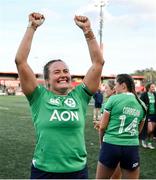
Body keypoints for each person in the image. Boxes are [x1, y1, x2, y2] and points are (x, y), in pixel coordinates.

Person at [15, 12, 104, 179]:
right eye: (57, 72)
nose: (63, 74)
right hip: (44, 172)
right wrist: (32, 27)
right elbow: (20, 61)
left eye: (66, 71)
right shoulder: (38, 97)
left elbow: (98, 63)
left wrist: (88, 31)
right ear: (47, 80)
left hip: (77, 172)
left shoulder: (80, 96)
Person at [96, 74, 147, 179]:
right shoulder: (142, 104)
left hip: (111, 144)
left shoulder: (113, 99)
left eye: (116, 84)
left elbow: (102, 127)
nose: (114, 87)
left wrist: (102, 144)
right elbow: (138, 130)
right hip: (131, 147)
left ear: (123, 86)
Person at [94, 80, 121, 179]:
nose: (104, 90)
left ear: (114, 90)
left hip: (109, 143)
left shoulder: (108, 104)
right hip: (123, 145)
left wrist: (101, 144)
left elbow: (103, 127)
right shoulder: (122, 102)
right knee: (116, 176)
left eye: (106, 88)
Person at [140, 82, 156, 149]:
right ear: (149, 88)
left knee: (153, 130)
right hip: (148, 114)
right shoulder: (144, 94)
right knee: (150, 129)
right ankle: (143, 140)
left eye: (154, 87)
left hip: (154, 114)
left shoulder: (155, 94)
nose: (154, 88)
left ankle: (149, 143)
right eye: (152, 87)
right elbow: (140, 103)